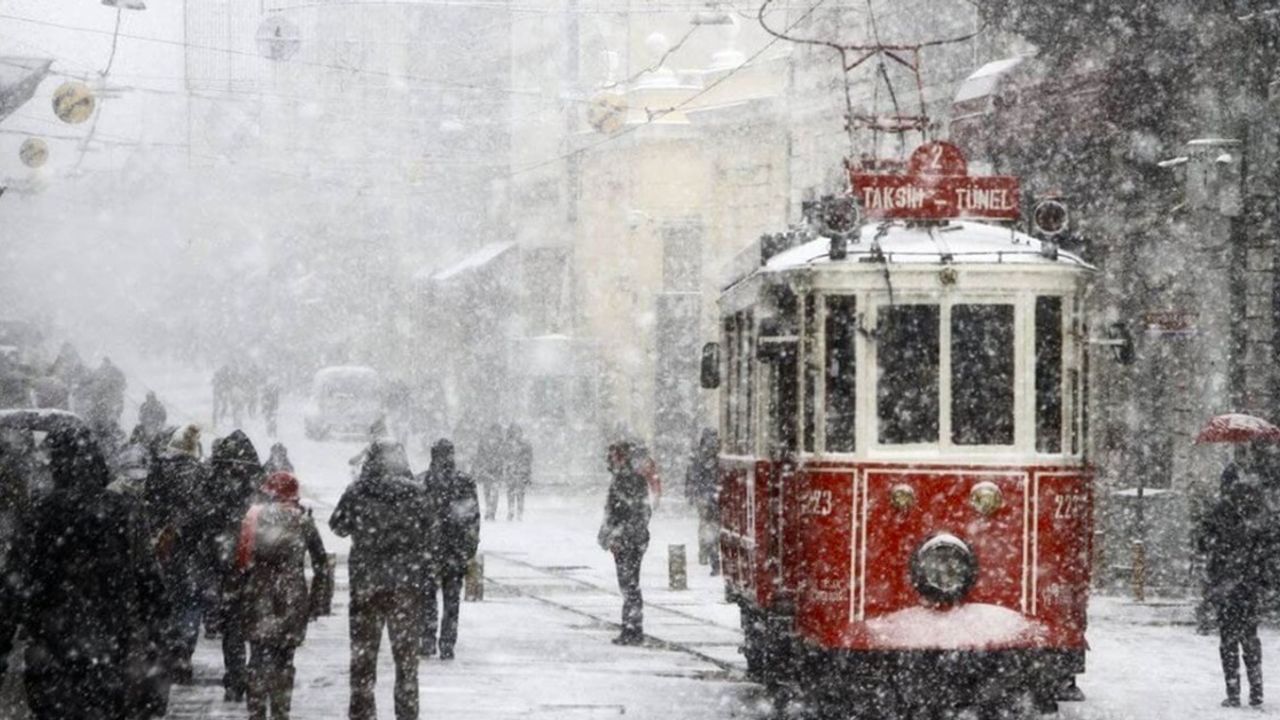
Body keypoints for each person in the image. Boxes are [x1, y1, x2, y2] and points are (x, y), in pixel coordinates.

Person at [0, 426, 167, 720]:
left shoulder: (38, 514)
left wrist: (4, 638)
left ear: (57, 465)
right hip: (111, 641)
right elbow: (148, 578)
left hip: (51, 644)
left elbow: (14, 585)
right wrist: (156, 632)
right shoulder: (125, 511)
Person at [330, 439, 438, 720]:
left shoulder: (358, 491)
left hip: (367, 583)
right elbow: (431, 533)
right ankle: (407, 713)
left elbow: (338, 526)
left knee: (364, 658)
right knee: (406, 661)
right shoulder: (417, 493)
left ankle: (363, 712)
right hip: (405, 585)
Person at [235, 472, 327, 720]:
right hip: (292, 595)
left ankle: (256, 713)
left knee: (257, 658)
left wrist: (236, 595)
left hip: (258, 593)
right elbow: (322, 563)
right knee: (285, 660)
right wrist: (318, 603)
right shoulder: (304, 521)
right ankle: (280, 712)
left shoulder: (253, 517)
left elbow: (239, 560)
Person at [1198, 454, 1270, 707]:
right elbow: (1266, 545)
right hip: (1248, 583)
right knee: (1250, 636)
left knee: (1228, 639)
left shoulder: (1219, 510)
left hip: (1226, 583)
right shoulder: (1256, 510)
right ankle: (1257, 690)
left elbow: (1202, 543)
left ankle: (1233, 692)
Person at [145, 423, 208, 684]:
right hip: (192, 549)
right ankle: (184, 650)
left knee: (165, 601)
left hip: (163, 546)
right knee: (190, 602)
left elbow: (149, 504)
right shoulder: (201, 473)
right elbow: (205, 511)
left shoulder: (159, 470)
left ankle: (165, 651)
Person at [206, 430, 265, 702]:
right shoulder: (260, 485)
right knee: (257, 622)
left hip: (228, 564)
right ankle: (254, 674)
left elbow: (206, 522)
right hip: (257, 563)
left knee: (233, 624)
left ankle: (235, 678)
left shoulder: (215, 482)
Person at [418, 439, 480, 659]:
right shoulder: (464, 482)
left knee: (427, 597)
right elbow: (473, 517)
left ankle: (427, 639)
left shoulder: (422, 481)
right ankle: (447, 643)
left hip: (429, 550)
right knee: (451, 600)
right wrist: (469, 549)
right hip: (454, 551)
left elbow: (415, 518)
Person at [598, 437, 652, 646]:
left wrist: (618, 534)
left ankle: (632, 628)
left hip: (628, 540)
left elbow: (624, 512)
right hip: (631, 539)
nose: (610, 462)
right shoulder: (630, 479)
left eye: (613, 458)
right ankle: (631, 626)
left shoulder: (625, 481)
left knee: (629, 584)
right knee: (629, 583)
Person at [685, 428, 721, 576]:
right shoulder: (718, 453)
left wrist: (690, 493)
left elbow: (691, 474)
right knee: (714, 527)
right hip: (716, 495)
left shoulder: (698, 453)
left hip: (705, 496)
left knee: (707, 525)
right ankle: (713, 556)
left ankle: (707, 553)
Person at [473, 424, 503, 521]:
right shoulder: (484, 442)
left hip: (496, 470)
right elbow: (479, 455)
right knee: (487, 492)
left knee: (494, 492)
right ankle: (489, 510)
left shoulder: (501, 443)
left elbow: (503, 457)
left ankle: (491, 511)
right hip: (486, 469)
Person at [503, 423, 532, 521]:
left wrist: (526, 470)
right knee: (511, 492)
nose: (516, 434)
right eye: (514, 431)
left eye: (518, 431)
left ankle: (519, 513)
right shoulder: (507, 444)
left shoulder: (525, 444)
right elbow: (504, 456)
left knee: (520, 493)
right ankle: (511, 511)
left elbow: (529, 459)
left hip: (520, 471)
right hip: (511, 470)